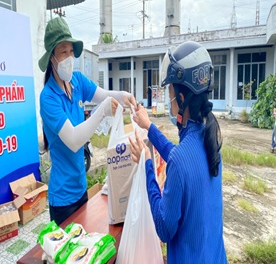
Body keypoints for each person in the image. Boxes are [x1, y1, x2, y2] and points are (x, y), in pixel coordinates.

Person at [129, 41, 228, 263]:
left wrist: (147, 164)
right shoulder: (211, 140)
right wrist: (149, 127)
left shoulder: (181, 159)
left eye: (170, 92)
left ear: (181, 99)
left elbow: (164, 228)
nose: (169, 98)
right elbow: (182, 159)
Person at [38, 17, 136, 226]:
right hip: (63, 199)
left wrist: (124, 95)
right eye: (64, 51)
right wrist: (101, 112)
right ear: (52, 58)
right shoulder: (48, 98)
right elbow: (73, 140)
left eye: (71, 51)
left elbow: (103, 94)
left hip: (81, 188)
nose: (69, 57)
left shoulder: (77, 80)